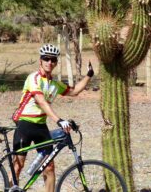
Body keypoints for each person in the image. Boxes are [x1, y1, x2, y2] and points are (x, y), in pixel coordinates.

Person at [11, 44, 94, 192]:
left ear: (56, 63)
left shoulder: (54, 84)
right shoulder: (33, 78)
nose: (50, 62)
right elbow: (41, 101)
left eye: (53, 60)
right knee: (18, 165)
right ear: (40, 61)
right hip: (24, 124)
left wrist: (89, 75)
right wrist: (59, 120)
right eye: (46, 59)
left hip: (41, 126)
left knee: (49, 167)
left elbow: (74, 91)